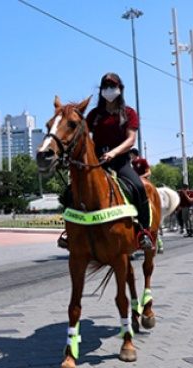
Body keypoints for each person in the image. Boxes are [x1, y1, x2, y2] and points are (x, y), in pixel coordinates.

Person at [56, 73, 153, 250]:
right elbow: (81, 134)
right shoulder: (94, 115)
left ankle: (144, 233)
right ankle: (70, 233)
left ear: (120, 89)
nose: (109, 90)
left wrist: (114, 153)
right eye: (105, 87)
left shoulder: (129, 113)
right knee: (70, 192)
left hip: (120, 161)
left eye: (112, 86)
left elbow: (131, 139)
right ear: (101, 91)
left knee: (138, 188)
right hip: (98, 162)